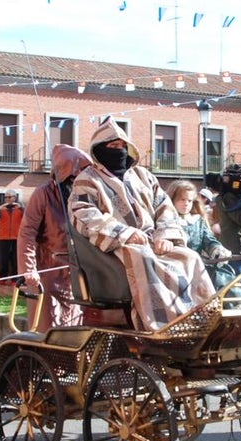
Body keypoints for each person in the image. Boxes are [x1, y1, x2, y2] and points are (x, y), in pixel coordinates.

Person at [68, 119, 214, 331]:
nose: (118, 151)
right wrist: (125, 233)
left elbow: (164, 206)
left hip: (154, 240)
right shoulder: (87, 179)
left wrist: (164, 236)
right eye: (112, 146)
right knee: (142, 258)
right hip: (116, 248)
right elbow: (84, 214)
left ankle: (204, 318)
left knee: (190, 257)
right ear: (100, 149)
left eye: (121, 146)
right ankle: (163, 325)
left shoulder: (143, 176)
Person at [18, 143, 88, 331]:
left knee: (77, 329)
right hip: (47, 273)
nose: (77, 182)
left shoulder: (86, 197)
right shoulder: (43, 194)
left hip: (77, 274)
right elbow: (27, 232)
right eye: (73, 178)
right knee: (47, 328)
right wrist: (28, 269)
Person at [168, 179, 236, 291]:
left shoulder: (197, 221)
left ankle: (238, 304)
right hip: (173, 268)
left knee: (223, 272)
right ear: (172, 200)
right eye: (182, 199)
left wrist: (217, 250)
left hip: (197, 267)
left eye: (189, 200)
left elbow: (208, 239)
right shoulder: (166, 221)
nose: (186, 204)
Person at [0, 188, 24, 284]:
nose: (8, 199)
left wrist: (21, 207)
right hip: (3, 237)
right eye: (6, 197)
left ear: (15, 197)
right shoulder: (2, 209)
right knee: (3, 258)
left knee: (15, 259)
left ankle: (15, 279)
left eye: (10, 197)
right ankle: (2, 277)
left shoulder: (20, 209)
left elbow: (27, 216)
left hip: (16, 237)